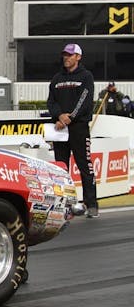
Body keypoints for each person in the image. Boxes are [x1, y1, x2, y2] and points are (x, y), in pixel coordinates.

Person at [46, 43, 98, 218]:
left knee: (85, 165)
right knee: (61, 168)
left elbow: (85, 100)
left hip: (78, 127)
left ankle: (92, 204)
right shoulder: (56, 78)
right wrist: (60, 115)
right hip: (60, 129)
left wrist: (70, 117)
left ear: (78, 57)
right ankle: (64, 204)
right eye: (64, 55)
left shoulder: (86, 76)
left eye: (70, 55)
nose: (66, 58)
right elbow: (51, 102)